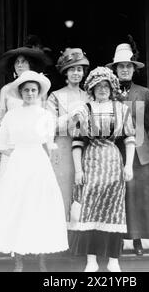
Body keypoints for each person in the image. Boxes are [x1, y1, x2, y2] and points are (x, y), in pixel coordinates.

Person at [0, 70, 68, 272]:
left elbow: (49, 145)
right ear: (21, 93)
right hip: (18, 165)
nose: (30, 94)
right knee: (18, 209)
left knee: (39, 208)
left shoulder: (45, 116)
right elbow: (0, 144)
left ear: (39, 93)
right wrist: (15, 155)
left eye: (33, 90)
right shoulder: (11, 116)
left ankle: (42, 259)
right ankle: (19, 260)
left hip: (39, 165)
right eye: (26, 90)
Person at [69, 66, 136, 272]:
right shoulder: (84, 110)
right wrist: (78, 170)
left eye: (106, 86)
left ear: (112, 88)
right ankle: (91, 260)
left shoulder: (122, 110)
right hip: (91, 162)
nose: (103, 89)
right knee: (90, 209)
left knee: (114, 210)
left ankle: (114, 259)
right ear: (92, 88)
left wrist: (129, 165)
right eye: (98, 86)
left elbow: (130, 139)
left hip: (113, 162)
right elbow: (77, 142)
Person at [106, 39, 149, 256]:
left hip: (139, 149)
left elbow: (147, 123)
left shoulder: (144, 92)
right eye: (121, 66)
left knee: (139, 196)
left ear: (133, 69)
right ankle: (117, 238)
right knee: (117, 195)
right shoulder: (107, 91)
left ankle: (137, 239)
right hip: (115, 150)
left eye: (129, 66)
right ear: (116, 69)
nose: (125, 70)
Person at [0, 37, 52, 198]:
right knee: (10, 190)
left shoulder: (39, 90)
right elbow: (0, 118)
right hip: (13, 146)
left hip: (34, 146)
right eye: (17, 62)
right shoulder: (6, 90)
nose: (20, 65)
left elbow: (45, 118)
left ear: (30, 65)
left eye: (23, 62)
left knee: (35, 190)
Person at [46, 48, 90, 220]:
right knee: (62, 190)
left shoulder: (89, 96)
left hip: (85, 148)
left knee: (83, 191)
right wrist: (71, 116)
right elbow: (50, 125)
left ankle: (80, 239)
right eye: (72, 69)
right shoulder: (55, 96)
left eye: (79, 69)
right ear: (65, 72)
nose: (76, 73)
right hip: (63, 148)